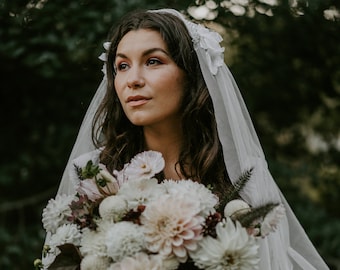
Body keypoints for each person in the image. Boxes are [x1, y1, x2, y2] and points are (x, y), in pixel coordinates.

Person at [54, 8, 329, 270]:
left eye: (153, 61)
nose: (132, 80)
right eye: (122, 66)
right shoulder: (93, 174)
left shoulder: (243, 176)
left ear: (192, 75)